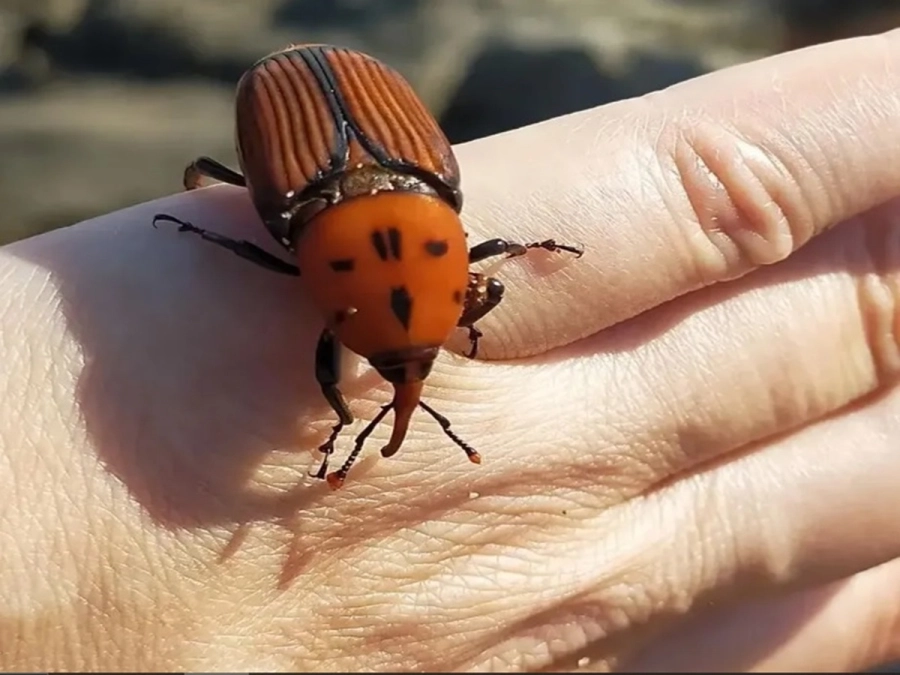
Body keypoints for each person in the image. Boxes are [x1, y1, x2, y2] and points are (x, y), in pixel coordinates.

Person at [2, 27, 900, 673]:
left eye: (411, 354)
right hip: (325, 128)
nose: (408, 376)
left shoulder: (329, 232)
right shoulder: (322, 232)